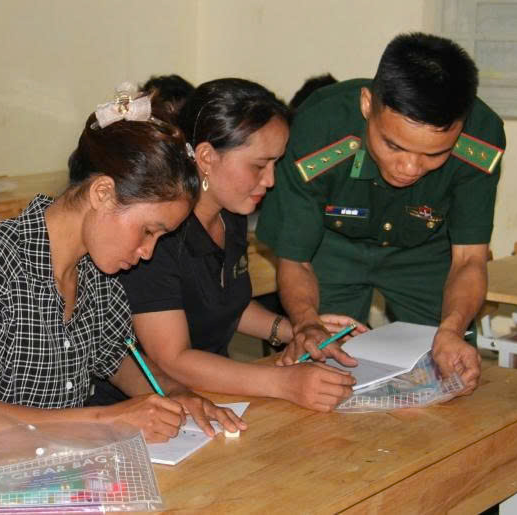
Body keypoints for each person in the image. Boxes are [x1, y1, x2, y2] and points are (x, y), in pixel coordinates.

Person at [0, 90, 246, 509]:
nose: (147, 251)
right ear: (102, 193)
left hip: (25, 478)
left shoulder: (98, 272)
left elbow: (117, 358)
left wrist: (174, 394)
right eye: (148, 231)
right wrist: (111, 419)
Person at [256, 33, 505, 396]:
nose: (409, 167)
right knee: (325, 370)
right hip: (329, 245)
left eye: (434, 154)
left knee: (448, 373)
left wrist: (451, 330)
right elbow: (296, 259)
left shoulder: (482, 138)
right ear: (367, 104)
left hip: (425, 248)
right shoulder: (319, 128)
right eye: (393, 145)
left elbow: (469, 259)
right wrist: (307, 324)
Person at [116, 78, 364, 412]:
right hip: (149, 408)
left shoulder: (230, 214)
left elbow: (224, 303)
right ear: (206, 157)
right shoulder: (159, 233)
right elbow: (172, 359)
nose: (270, 180)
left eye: (276, 164)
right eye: (259, 166)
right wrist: (284, 383)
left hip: (213, 393)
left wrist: (300, 331)